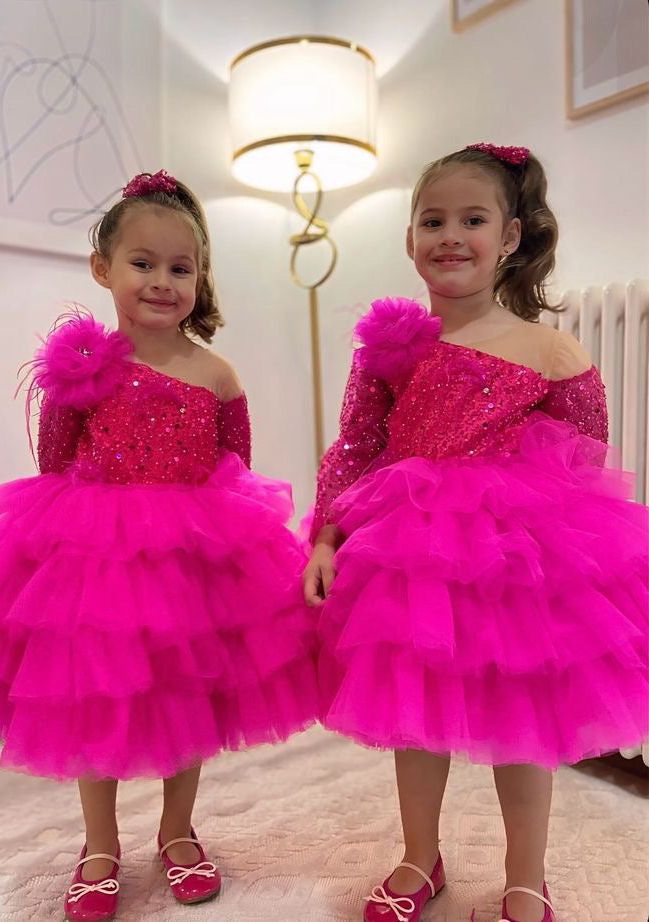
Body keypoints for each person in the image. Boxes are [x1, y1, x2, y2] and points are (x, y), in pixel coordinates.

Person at [0, 170, 318, 920]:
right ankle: (100, 843)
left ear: (200, 277)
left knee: (192, 693)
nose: (163, 282)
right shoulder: (85, 370)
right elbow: (53, 463)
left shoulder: (217, 373)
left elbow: (235, 469)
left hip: (192, 561)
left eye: (181, 267)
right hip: (96, 558)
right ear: (102, 269)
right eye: (143, 263)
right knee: (91, 694)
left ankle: (177, 831)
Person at [303, 144, 648, 922]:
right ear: (409, 238)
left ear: (510, 236)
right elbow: (356, 447)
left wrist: (564, 558)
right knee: (414, 712)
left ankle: (527, 873)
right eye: (432, 221)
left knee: (522, 718)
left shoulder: (550, 349)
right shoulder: (390, 349)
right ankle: (419, 856)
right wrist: (325, 536)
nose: (450, 236)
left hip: (515, 562)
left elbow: (585, 461)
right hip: (408, 553)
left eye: (472, 220)